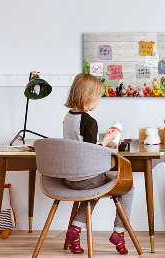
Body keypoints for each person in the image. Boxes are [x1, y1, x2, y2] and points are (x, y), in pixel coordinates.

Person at [63, 73, 133, 255]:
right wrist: (107, 141)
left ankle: (75, 230)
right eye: (98, 97)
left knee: (94, 189)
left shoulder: (68, 117)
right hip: (86, 178)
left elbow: (80, 146)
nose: (98, 101)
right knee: (128, 186)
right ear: (89, 97)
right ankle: (119, 232)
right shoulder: (89, 121)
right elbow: (90, 153)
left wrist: (102, 141)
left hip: (69, 178)